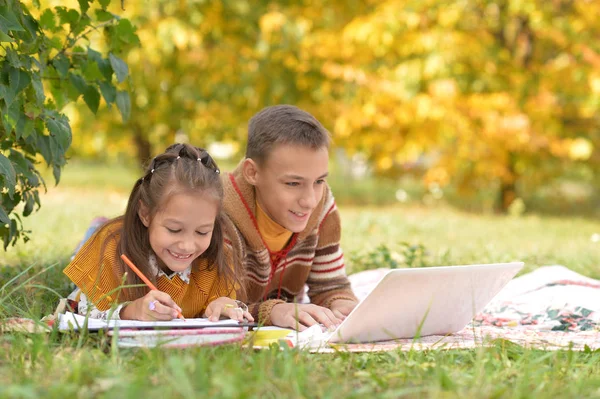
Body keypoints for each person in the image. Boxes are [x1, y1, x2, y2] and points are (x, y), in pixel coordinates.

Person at [63, 143, 253, 322]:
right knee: (82, 257)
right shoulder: (111, 247)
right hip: (109, 243)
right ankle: (93, 230)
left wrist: (221, 307)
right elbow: (83, 311)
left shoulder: (218, 260)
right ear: (145, 214)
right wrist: (132, 311)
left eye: (202, 232)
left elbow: (218, 308)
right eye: (174, 229)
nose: (187, 245)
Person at [221, 105, 358, 331]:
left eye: (319, 181)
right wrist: (272, 311)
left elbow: (330, 286)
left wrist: (342, 304)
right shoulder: (217, 214)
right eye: (293, 184)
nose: (309, 201)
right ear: (252, 173)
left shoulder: (322, 209)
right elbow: (213, 306)